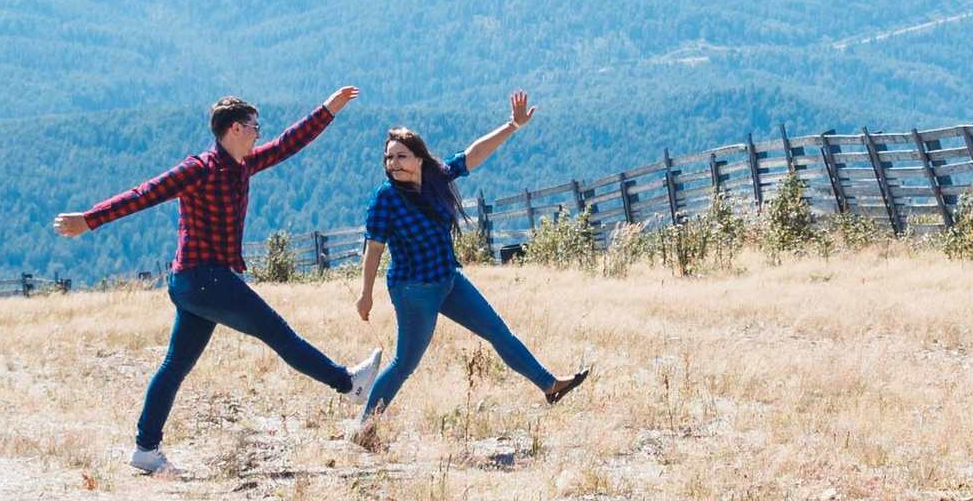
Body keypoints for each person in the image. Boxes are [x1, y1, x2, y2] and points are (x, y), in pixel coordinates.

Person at [56, 89, 381, 473]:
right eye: (255, 127)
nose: (260, 134)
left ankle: (146, 449)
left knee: (175, 365)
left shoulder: (243, 164)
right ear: (234, 128)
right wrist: (90, 220)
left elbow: (290, 143)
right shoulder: (199, 169)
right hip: (203, 279)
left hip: (194, 282)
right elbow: (145, 194)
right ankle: (347, 384)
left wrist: (330, 108)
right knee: (278, 333)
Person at [353, 90, 589, 438]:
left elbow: (473, 154)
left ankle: (549, 385)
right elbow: (373, 249)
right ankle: (364, 428)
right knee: (404, 364)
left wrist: (512, 125)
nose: (393, 164)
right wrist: (366, 294)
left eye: (401, 157)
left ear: (419, 158)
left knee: (498, 332)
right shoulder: (384, 199)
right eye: (388, 159)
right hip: (413, 291)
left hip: (448, 280)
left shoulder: (435, 177)